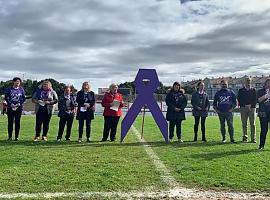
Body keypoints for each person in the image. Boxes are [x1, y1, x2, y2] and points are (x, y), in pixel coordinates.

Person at [237, 77, 257, 143]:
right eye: (247, 81)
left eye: (249, 81)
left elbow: (255, 99)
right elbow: (239, 99)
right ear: (244, 82)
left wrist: (250, 105)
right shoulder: (241, 90)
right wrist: (245, 105)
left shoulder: (253, 90)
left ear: (251, 81)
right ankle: (245, 138)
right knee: (244, 124)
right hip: (243, 108)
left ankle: (253, 138)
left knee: (253, 124)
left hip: (252, 108)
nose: (248, 82)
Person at [257, 78, 270, 150]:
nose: (269, 85)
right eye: (268, 83)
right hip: (263, 112)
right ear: (265, 84)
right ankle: (261, 145)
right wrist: (266, 95)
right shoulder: (260, 91)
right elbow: (258, 100)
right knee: (264, 129)